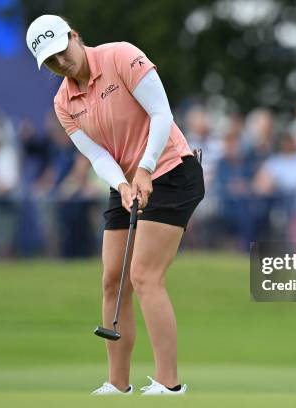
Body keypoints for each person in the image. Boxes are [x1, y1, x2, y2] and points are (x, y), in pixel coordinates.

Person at [26, 15, 204, 395]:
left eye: (62, 51)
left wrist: (144, 168)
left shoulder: (121, 56)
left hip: (171, 170)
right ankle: (117, 383)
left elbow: (161, 114)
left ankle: (169, 384)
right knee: (112, 278)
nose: (61, 62)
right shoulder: (63, 102)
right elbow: (96, 156)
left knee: (143, 275)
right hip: (126, 179)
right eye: (51, 61)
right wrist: (123, 184)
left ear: (75, 36)